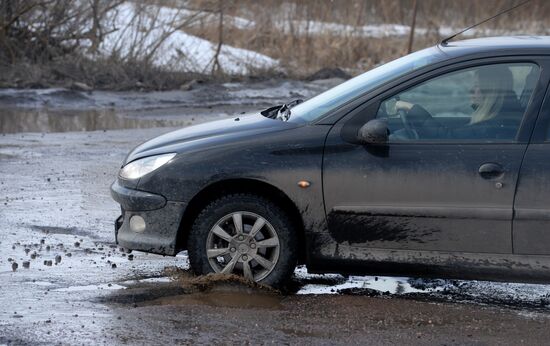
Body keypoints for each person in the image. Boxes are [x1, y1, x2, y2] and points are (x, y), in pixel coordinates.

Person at [393, 65, 523, 140]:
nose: (471, 90)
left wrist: (411, 108)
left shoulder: (495, 125)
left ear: (491, 90)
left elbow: (447, 137)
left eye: (477, 86)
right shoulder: (502, 115)